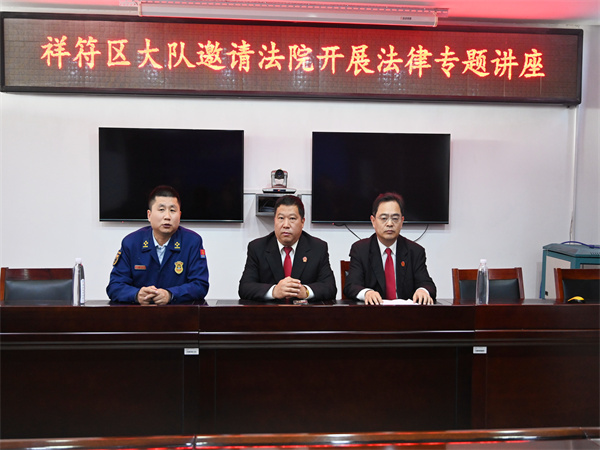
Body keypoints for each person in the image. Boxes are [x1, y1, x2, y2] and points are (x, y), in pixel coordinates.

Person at [107, 185, 209, 305]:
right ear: (149, 215)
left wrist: (170, 295)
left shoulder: (192, 242)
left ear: (180, 215)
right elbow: (115, 286)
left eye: (172, 210)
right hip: (140, 313)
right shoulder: (131, 242)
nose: (167, 217)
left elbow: (200, 285)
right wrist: (136, 295)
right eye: (161, 210)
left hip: (179, 313)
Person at [238, 195, 337, 302]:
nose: (286, 225)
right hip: (270, 311)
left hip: (304, 311)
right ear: (275, 220)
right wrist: (274, 291)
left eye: (292, 219)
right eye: (281, 218)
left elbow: (330, 287)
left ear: (302, 222)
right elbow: (245, 288)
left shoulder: (318, 248)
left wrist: (305, 291)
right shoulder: (257, 247)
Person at [343, 192, 436, 305]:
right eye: (384, 218)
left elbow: (427, 284)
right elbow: (351, 285)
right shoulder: (360, 250)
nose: (390, 224)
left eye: (395, 218)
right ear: (373, 221)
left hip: (406, 314)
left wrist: (423, 290)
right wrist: (367, 293)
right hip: (373, 313)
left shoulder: (415, 251)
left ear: (402, 221)